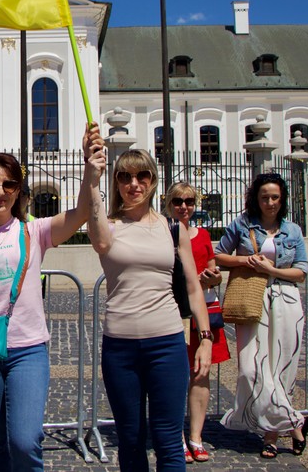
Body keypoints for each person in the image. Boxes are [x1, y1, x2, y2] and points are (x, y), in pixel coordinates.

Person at [0, 124, 106, 472]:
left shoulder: (34, 230)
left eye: (8, 185)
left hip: (28, 349)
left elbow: (79, 214)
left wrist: (90, 174)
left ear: (18, 191)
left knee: (25, 439)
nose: (0, 191)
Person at [86, 150, 212, 472]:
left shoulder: (173, 228)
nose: (134, 184)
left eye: (142, 176)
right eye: (125, 176)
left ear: (153, 181)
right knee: (130, 439)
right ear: (116, 182)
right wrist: (92, 173)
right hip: (120, 347)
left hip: (167, 344)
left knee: (169, 440)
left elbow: (193, 286)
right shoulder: (108, 225)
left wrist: (205, 337)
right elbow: (100, 243)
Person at [215, 171, 308, 459]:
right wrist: (245, 260)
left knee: (281, 369)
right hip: (250, 298)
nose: (270, 202)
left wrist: (272, 270)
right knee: (250, 369)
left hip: (286, 300)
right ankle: (297, 423)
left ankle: (271, 436)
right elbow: (219, 256)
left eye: (275, 198)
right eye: (265, 197)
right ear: (255, 199)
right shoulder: (243, 224)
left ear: (282, 201)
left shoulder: (292, 231)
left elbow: (302, 271)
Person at [163, 182, 230, 464]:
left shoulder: (202, 234)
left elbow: (214, 265)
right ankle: (175, 435)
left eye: (189, 201)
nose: (184, 207)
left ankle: (196, 436)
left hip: (205, 307)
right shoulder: (164, 232)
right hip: (175, 310)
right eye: (178, 201)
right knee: (175, 376)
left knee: (201, 375)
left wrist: (213, 277)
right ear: (168, 203)